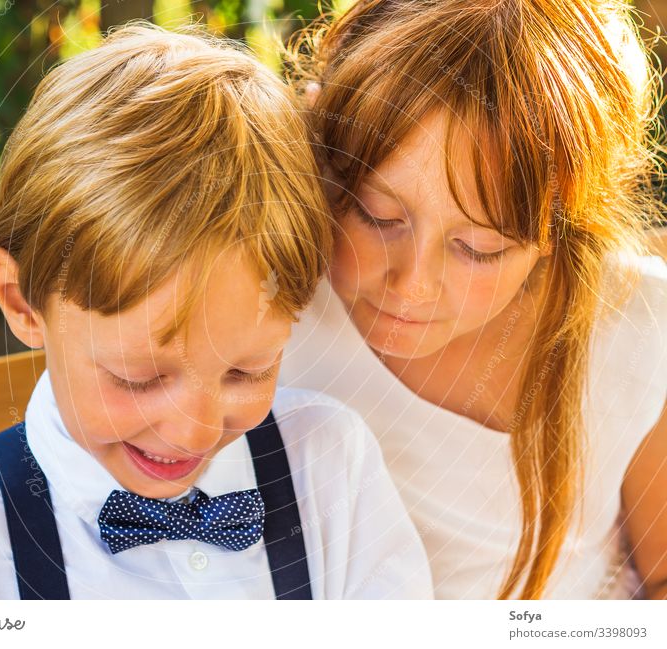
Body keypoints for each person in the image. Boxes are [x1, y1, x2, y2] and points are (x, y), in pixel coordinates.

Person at [0, 22, 433, 600]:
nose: (196, 430)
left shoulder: (330, 469)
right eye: (138, 377)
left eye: (247, 371)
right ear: (22, 302)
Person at [280, 0, 667, 599]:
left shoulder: (634, 333)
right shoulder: (270, 300)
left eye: (479, 249)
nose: (412, 285)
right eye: (376, 216)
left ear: (557, 236)